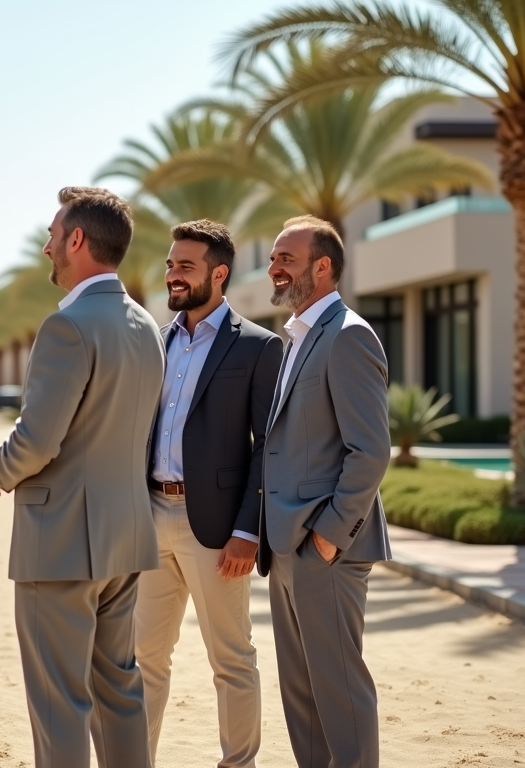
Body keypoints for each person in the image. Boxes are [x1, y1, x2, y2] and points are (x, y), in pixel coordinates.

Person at [0, 187, 164, 768]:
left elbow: (38, 440)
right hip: (126, 535)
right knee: (120, 691)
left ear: (77, 240)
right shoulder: (147, 327)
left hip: (60, 542)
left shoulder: (68, 326)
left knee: (59, 703)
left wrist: (0, 468)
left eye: (54, 234)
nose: (48, 245)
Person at [135, 220, 282, 767]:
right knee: (143, 657)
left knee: (232, 658)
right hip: (151, 516)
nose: (173, 274)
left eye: (186, 266)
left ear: (218, 274)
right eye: (172, 264)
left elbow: (269, 446)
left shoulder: (258, 347)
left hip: (218, 529)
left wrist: (248, 530)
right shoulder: (157, 338)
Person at [259, 215, 392, 768]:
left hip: (325, 549)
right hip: (289, 543)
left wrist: (330, 538)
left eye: (285, 258)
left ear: (323, 266)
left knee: (338, 691)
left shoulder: (349, 335)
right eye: (273, 258)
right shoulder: (297, 338)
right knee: (303, 695)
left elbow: (371, 451)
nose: (274, 267)